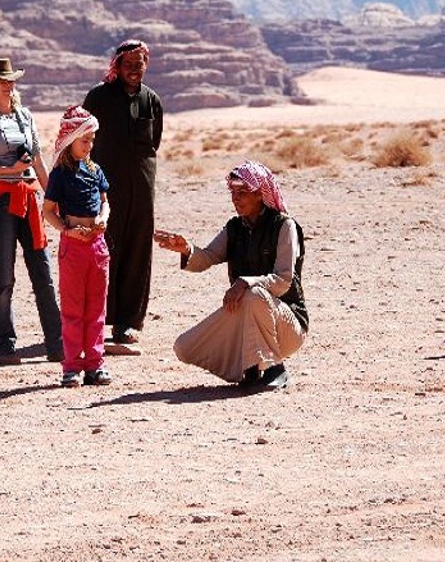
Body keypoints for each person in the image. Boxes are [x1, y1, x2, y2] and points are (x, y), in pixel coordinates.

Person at [153, 160, 308, 390]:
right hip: (249, 323)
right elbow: (207, 257)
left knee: (254, 294)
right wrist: (186, 249)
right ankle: (251, 371)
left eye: (243, 192)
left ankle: (275, 369)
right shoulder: (235, 228)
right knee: (184, 347)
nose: (236, 199)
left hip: (287, 325)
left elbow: (284, 280)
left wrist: (246, 282)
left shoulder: (284, 226)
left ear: (259, 194)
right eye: (233, 193)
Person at [0, 56, 63, 365]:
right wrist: (8, 167)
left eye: (12, 81)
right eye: (3, 81)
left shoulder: (25, 116)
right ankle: (5, 343)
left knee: (43, 271)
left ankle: (57, 342)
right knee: (5, 274)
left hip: (29, 198)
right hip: (0, 202)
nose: (9, 86)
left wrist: (52, 196)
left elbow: (37, 160)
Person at [82, 39, 163, 355]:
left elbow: (153, 143)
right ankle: (99, 319)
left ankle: (128, 322)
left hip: (142, 189)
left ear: (146, 65)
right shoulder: (99, 97)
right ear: (117, 65)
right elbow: (82, 138)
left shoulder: (152, 101)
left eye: (138, 63)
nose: (133, 69)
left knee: (137, 251)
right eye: (127, 63)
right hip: (104, 188)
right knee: (104, 250)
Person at [42, 106, 112, 387]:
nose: (90, 145)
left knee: (97, 308)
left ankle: (95, 365)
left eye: (92, 140)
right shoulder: (59, 174)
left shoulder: (96, 171)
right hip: (73, 246)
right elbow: (48, 211)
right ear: (71, 139)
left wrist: (103, 220)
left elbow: (105, 202)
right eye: (86, 140)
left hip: (97, 244)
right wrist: (68, 231)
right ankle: (71, 367)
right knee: (73, 309)